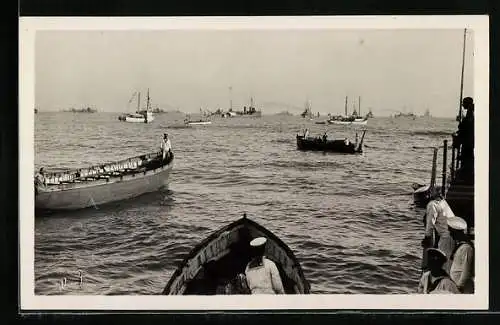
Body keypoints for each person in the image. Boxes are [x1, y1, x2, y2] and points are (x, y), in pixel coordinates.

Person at [421, 187, 456, 272]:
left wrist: (427, 237)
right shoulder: (443, 202)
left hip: (445, 237)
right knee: (449, 262)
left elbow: (430, 222)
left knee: (444, 262)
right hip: (452, 236)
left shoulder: (432, 205)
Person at [448, 216, 474, 293]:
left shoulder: (466, 248)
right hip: (456, 284)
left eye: (451, 231)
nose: (450, 234)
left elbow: (466, 270)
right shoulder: (460, 245)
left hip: (462, 287)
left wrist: (459, 286)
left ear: (456, 232)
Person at [455, 97, 474, 182]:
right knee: (466, 158)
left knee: (466, 158)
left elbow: (466, 125)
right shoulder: (471, 112)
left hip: (468, 141)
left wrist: (461, 123)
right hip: (469, 141)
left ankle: (466, 178)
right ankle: (466, 177)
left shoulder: (470, 114)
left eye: (463, 103)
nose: (462, 105)